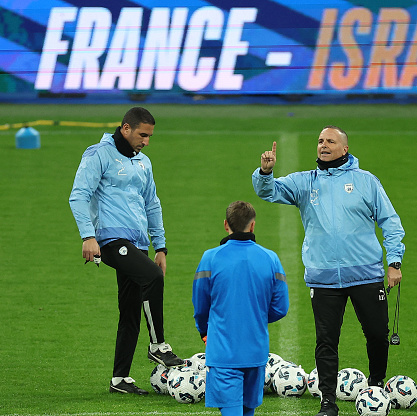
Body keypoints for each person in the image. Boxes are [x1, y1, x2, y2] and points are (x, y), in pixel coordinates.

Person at [252, 126, 405, 416]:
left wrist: (394, 262)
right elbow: (268, 192)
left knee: (376, 335)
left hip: (367, 275)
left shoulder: (366, 182)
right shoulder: (304, 183)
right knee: (326, 341)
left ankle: (375, 383)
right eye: (320, 141)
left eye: (330, 141)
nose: (324, 145)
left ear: (344, 149)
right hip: (323, 279)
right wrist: (265, 172)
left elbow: (391, 221)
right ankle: (327, 401)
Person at [69, 107, 183, 395]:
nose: (146, 141)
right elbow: (79, 195)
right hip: (109, 240)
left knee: (130, 310)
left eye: (150, 136)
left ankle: (120, 379)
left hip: (138, 243)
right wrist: (88, 236)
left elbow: (152, 203)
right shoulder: (98, 155)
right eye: (142, 135)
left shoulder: (143, 162)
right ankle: (158, 346)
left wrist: (161, 246)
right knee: (153, 278)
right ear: (125, 129)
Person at [192, 201, 289, 416]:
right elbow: (281, 308)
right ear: (252, 226)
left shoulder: (210, 258)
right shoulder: (271, 259)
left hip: (223, 351)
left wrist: (204, 330)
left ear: (226, 225)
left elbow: (200, 306)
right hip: (256, 350)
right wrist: (256, 315)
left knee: (232, 411)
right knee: (247, 410)